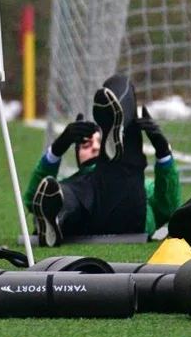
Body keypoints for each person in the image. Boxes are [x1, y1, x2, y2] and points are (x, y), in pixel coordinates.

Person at [24, 73, 181, 247]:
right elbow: (33, 202)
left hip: (127, 210)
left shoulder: (143, 185)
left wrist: (163, 152)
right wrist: (58, 147)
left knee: (121, 83)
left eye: (100, 141)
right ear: (77, 155)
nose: (94, 147)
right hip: (85, 217)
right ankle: (55, 219)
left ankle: (116, 125)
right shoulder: (65, 184)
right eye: (86, 144)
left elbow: (168, 208)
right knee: (58, 193)